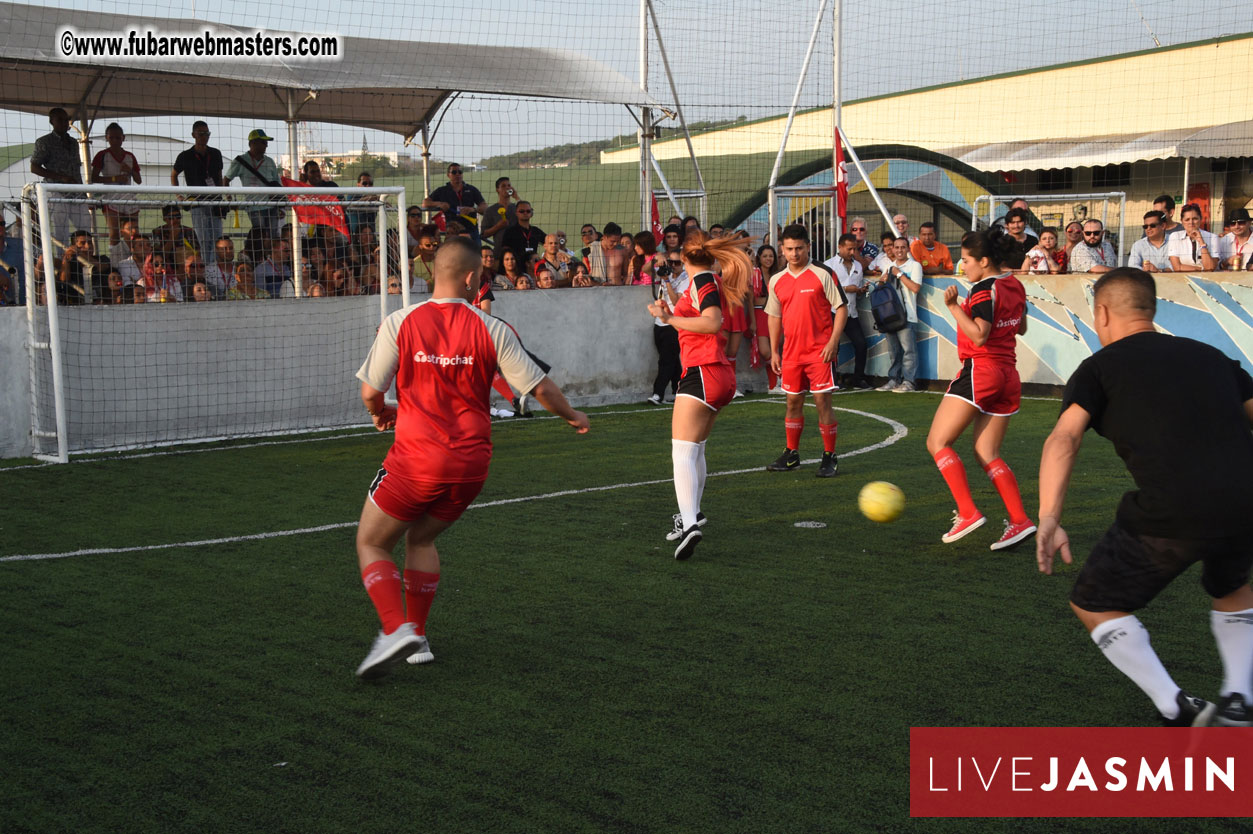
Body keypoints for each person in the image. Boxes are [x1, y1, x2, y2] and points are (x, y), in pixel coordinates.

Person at [351, 236, 588, 678]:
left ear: (433, 275)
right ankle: (417, 637)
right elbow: (539, 388)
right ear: (470, 278)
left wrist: (379, 412)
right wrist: (573, 415)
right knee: (420, 539)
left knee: (371, 541)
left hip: (416, 459)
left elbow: (370, 391)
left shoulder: (400, 322)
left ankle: (393, 628)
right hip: (471, 465)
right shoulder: (492, 327)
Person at [1036, 266, 1253, 727]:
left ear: (1102, 313)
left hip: (1172, 511)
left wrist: (1049, 516)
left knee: (1094, 602)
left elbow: (1063, 440)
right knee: (1232, 586)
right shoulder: (1211, 356)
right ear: (1151, 309)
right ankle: (1239, 698)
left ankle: (1175, 706)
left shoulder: (1098, 368)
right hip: (1244, 501)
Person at [925, 228, 1033, 549]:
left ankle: (968, 512)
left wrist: (954, 306)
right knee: (987, 452)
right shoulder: (1014, 284)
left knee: (937, 442)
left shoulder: (984, 289)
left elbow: (979, 335)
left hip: (981, 370)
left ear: (985, 261)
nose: (963, 264)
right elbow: (1022, 326)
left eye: (968, 259)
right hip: (1008, 374)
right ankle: (1019, 520)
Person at [647, 230, 752, 559]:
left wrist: (667, 317)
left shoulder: (705, 281)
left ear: (686, 256)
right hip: (716, 374)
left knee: (681, 452)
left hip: (703, 372)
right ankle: (691, 515)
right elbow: (694, 315)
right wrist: (669, 303)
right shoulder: (704, 280)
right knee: (695, 449)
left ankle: (690, 524)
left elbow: (711, 323)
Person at [764, 224, 848, 478]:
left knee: (822, 401)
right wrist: (775, 351)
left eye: (799, 248)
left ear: (808, 247)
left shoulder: (823, 273)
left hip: (820, 352)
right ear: (782, 249)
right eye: (789, 249)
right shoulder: (777, 280)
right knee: (792, 402)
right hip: (791, 354)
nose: (794, 253)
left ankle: (829, 456)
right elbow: (774, 316)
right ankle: (792, 455)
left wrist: (834, 341)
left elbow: (841, 308)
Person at [30, 107, 90, 252]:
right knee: (60, 232)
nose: (64, 123)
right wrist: (60, 177)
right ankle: (63, 263)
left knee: (86, 229)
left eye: (66, 120)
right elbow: (34, 167)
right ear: (52, 122)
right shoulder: (44, 142)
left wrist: (83, 192)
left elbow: (76, 169)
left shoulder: (73, 143)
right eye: (60, 120)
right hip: (56, 191)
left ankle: (86, 261)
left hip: (76, 192)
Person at [171, 121, 225, 265]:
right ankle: (207, 268)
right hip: (197, 202)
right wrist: (179, 196)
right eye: (201, 134)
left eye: (207, 134)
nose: (204, 137)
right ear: (193, 135)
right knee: (203, 238)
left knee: (217, 238)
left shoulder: (215, 153)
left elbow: (219, 176)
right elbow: (173, 175)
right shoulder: (185, 155)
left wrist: (223, 195)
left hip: (215, 202)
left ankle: (215, 267)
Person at [874, 237, 922, 392]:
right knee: (894, 351)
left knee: (909, 351)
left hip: (908, 315)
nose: (899, 250)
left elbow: (915, 288)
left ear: (908, 249)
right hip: (890, 315)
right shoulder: (890, 267)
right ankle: (894, 379)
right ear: (892, 249)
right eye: (897, 247)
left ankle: (909, 382)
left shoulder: (915, 266)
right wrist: (882, 281)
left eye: (903, 247)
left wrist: (900, 274)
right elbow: (882, 289)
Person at [824, 233, 870, 389]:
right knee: (833, 345)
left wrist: (860, 290)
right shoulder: (829, 265)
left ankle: (858, 378)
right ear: (840, 247)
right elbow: (824, 290)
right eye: (849, 249)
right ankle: (832, 379)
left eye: (855, 249)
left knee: (861, 344)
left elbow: (856, 286)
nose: (852, 252)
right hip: (833, 312)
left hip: (851, 312)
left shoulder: (857, 266)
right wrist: (846, 289)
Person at [224, 129, 283, 239]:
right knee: (260, 236)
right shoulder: (240, 160)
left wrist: (280, 207)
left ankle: (271, 255)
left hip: (272, 205)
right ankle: (259, 255)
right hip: (254, 207)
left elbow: (278, 184)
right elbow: (226, 179)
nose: (266, 145)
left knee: (274, 236)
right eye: (263, 142)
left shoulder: (270, 161)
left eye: (266, 143)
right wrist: (229, 199)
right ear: (252, 143)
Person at [90, 122, 142, 247]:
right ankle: (115, 262)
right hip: (111, 197)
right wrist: (114, 178)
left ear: (123, 138)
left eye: (118, 138)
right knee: (114, 234)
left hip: (128, 197)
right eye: (111, 137)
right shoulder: (102, 155)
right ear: (107, 138)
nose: (115, 140)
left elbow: (139, 180)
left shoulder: (130, 156)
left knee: (133, 233)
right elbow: (94, 178)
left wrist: (130, 170)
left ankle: (134, 261)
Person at [648, 250, 687, 405]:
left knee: (666, 360)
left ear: (683, 264)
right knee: (672, 361)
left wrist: (667, 281)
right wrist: (656, 259)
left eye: (677, 263)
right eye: (671, 262)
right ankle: (680, 391)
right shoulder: (666, 272)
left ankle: (658, 393)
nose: (673, 266)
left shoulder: (686, 279)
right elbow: (645, 270)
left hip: (674, 322)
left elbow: (676, 301)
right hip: (659, 322)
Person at [422, 163, 488, 244]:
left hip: (471, 231)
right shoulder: (442, 190)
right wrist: (439, 204)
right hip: (452, 232)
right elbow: (425, 203)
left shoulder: (471, 189)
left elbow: (485, 207)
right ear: (448, 175)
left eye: (460, 172)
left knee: (476, 255)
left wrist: (473, 209)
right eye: (454, 172)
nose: (457, 174)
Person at [750, 244, 780, 393]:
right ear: (759, 258)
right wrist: (752, 321)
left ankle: (775, 385)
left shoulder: (777, 274)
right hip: (759, 314)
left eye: (771, 256)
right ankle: (776, 381)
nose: (768, 259)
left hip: (775, 314)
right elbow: (752, 299)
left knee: (780, 348)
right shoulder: (755, 273)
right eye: (765, 256)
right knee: (765, 351)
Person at [1167, 203, 1218, 272]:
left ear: (1200, 219)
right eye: (1187, 219)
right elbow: (1177, 267)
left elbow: (1210, 267)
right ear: (1181, 221)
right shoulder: (1175, 236)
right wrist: (1202, 269)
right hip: (1182, 278)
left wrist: (1202, 243)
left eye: (1195, 219)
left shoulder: (1212, 237)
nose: (1191, 222)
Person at [500, 202, 546, 271]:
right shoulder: (510, 232)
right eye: (522, 211)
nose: (525, 213)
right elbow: (505, 251)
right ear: (516, 213)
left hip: (533, 267)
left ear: (531, 213)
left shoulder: (536, 231)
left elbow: (549, 242)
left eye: (528, 211)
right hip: (517, 268)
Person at [481, 176, 520, 253]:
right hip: (499, 251)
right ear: (497, 190)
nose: (507, 188)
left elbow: (528, 213)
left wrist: (516, 197)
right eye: (503, 186)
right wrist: (497, 226)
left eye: (509, 185)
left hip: (517, 250)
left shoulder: (517, 208)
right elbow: (483, 234)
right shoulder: (491, 210)